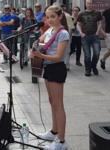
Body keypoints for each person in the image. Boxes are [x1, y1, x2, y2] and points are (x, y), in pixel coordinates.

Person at [30, 5, 69, 150]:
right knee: (52, 101)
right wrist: (32, 50)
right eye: (48, 17)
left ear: (60, 17)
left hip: (57, 68)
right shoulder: (49, 30)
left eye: (53, 16)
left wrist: (41, 55)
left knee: (58, 104)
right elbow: (37, 42)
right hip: (47, 67)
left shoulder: (63, 33)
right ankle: (54, 131)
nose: (50, 20)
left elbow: (58, 57)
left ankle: (61, 141)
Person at [77, 0, 103, 77]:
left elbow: (100, 23)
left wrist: (97, 32)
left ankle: (93, 66)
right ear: (85, 4)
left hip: (94, 35)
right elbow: (78, 24)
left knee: (97, 53)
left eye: (90, 3)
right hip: (85, 36)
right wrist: (81, 33)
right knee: (87, 54)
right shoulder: (81, 13)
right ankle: (88, 69)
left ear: (92, 4)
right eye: (88, 3)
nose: (89, 5)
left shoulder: (97, 13)